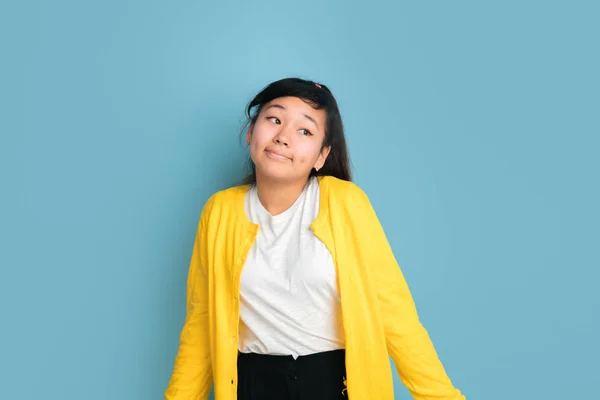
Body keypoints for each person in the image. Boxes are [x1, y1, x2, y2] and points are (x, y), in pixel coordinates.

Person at [164, 77, 465, 400]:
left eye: (304, 131)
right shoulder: (219, 211)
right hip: (252, 385)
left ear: (322, 156)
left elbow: (394, 312)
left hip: (334, 385)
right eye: (274, 119)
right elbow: (201, 324)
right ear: (251, 132)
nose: (283, 137)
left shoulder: (345, 203)